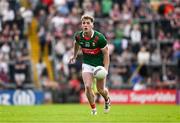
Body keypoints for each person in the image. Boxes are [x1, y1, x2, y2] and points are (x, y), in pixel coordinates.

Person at [69, 14, 110, 115]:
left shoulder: (99, 38)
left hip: (99, 66)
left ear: (92, 25)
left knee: (101, 90)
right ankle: (93, 109)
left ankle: (107, 99)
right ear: (81, 25)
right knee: (87, 86)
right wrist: (74, 56)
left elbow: (106, 54)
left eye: (88, 23)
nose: (85, 25)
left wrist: (106, 69)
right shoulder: (78, 36)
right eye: (83, 23)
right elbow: (76, 44)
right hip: (87, 64)